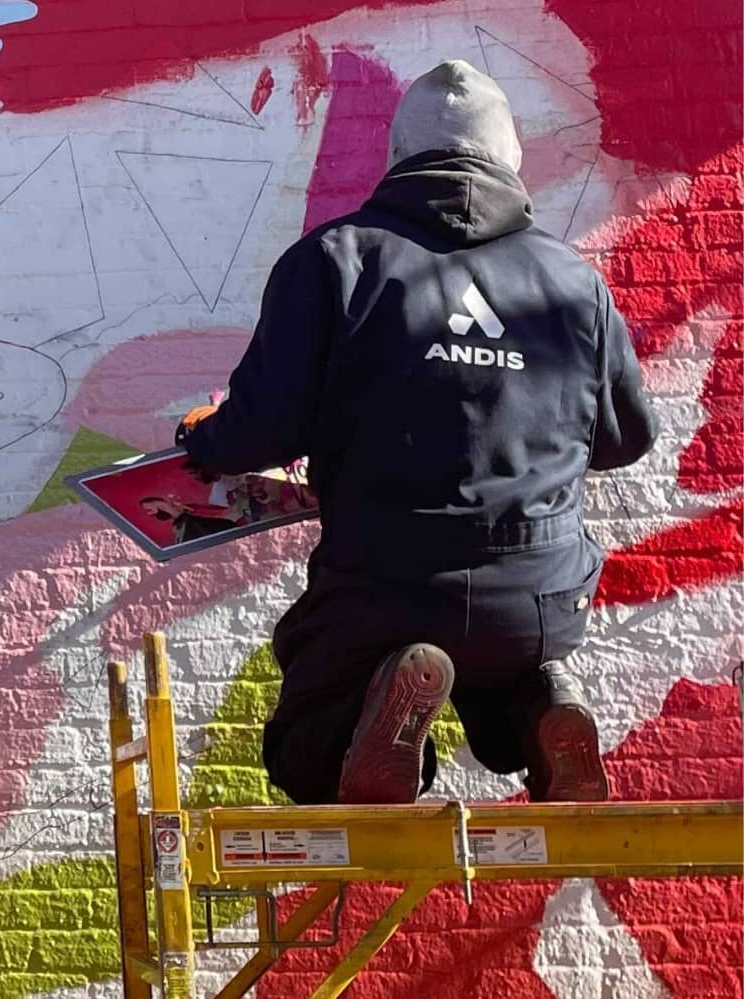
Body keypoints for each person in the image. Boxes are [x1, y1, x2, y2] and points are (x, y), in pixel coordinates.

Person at [178, 61, 657, 806]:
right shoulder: (573, 282)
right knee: (505, 663)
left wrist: (205, 438)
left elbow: (257, 432)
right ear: (510, 156)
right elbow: (627, 439)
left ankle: (364, 726)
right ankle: (545, 713)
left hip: (383, 580)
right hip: (540, 592)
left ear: (400, 154)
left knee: (309, 728)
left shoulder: (335, 260)